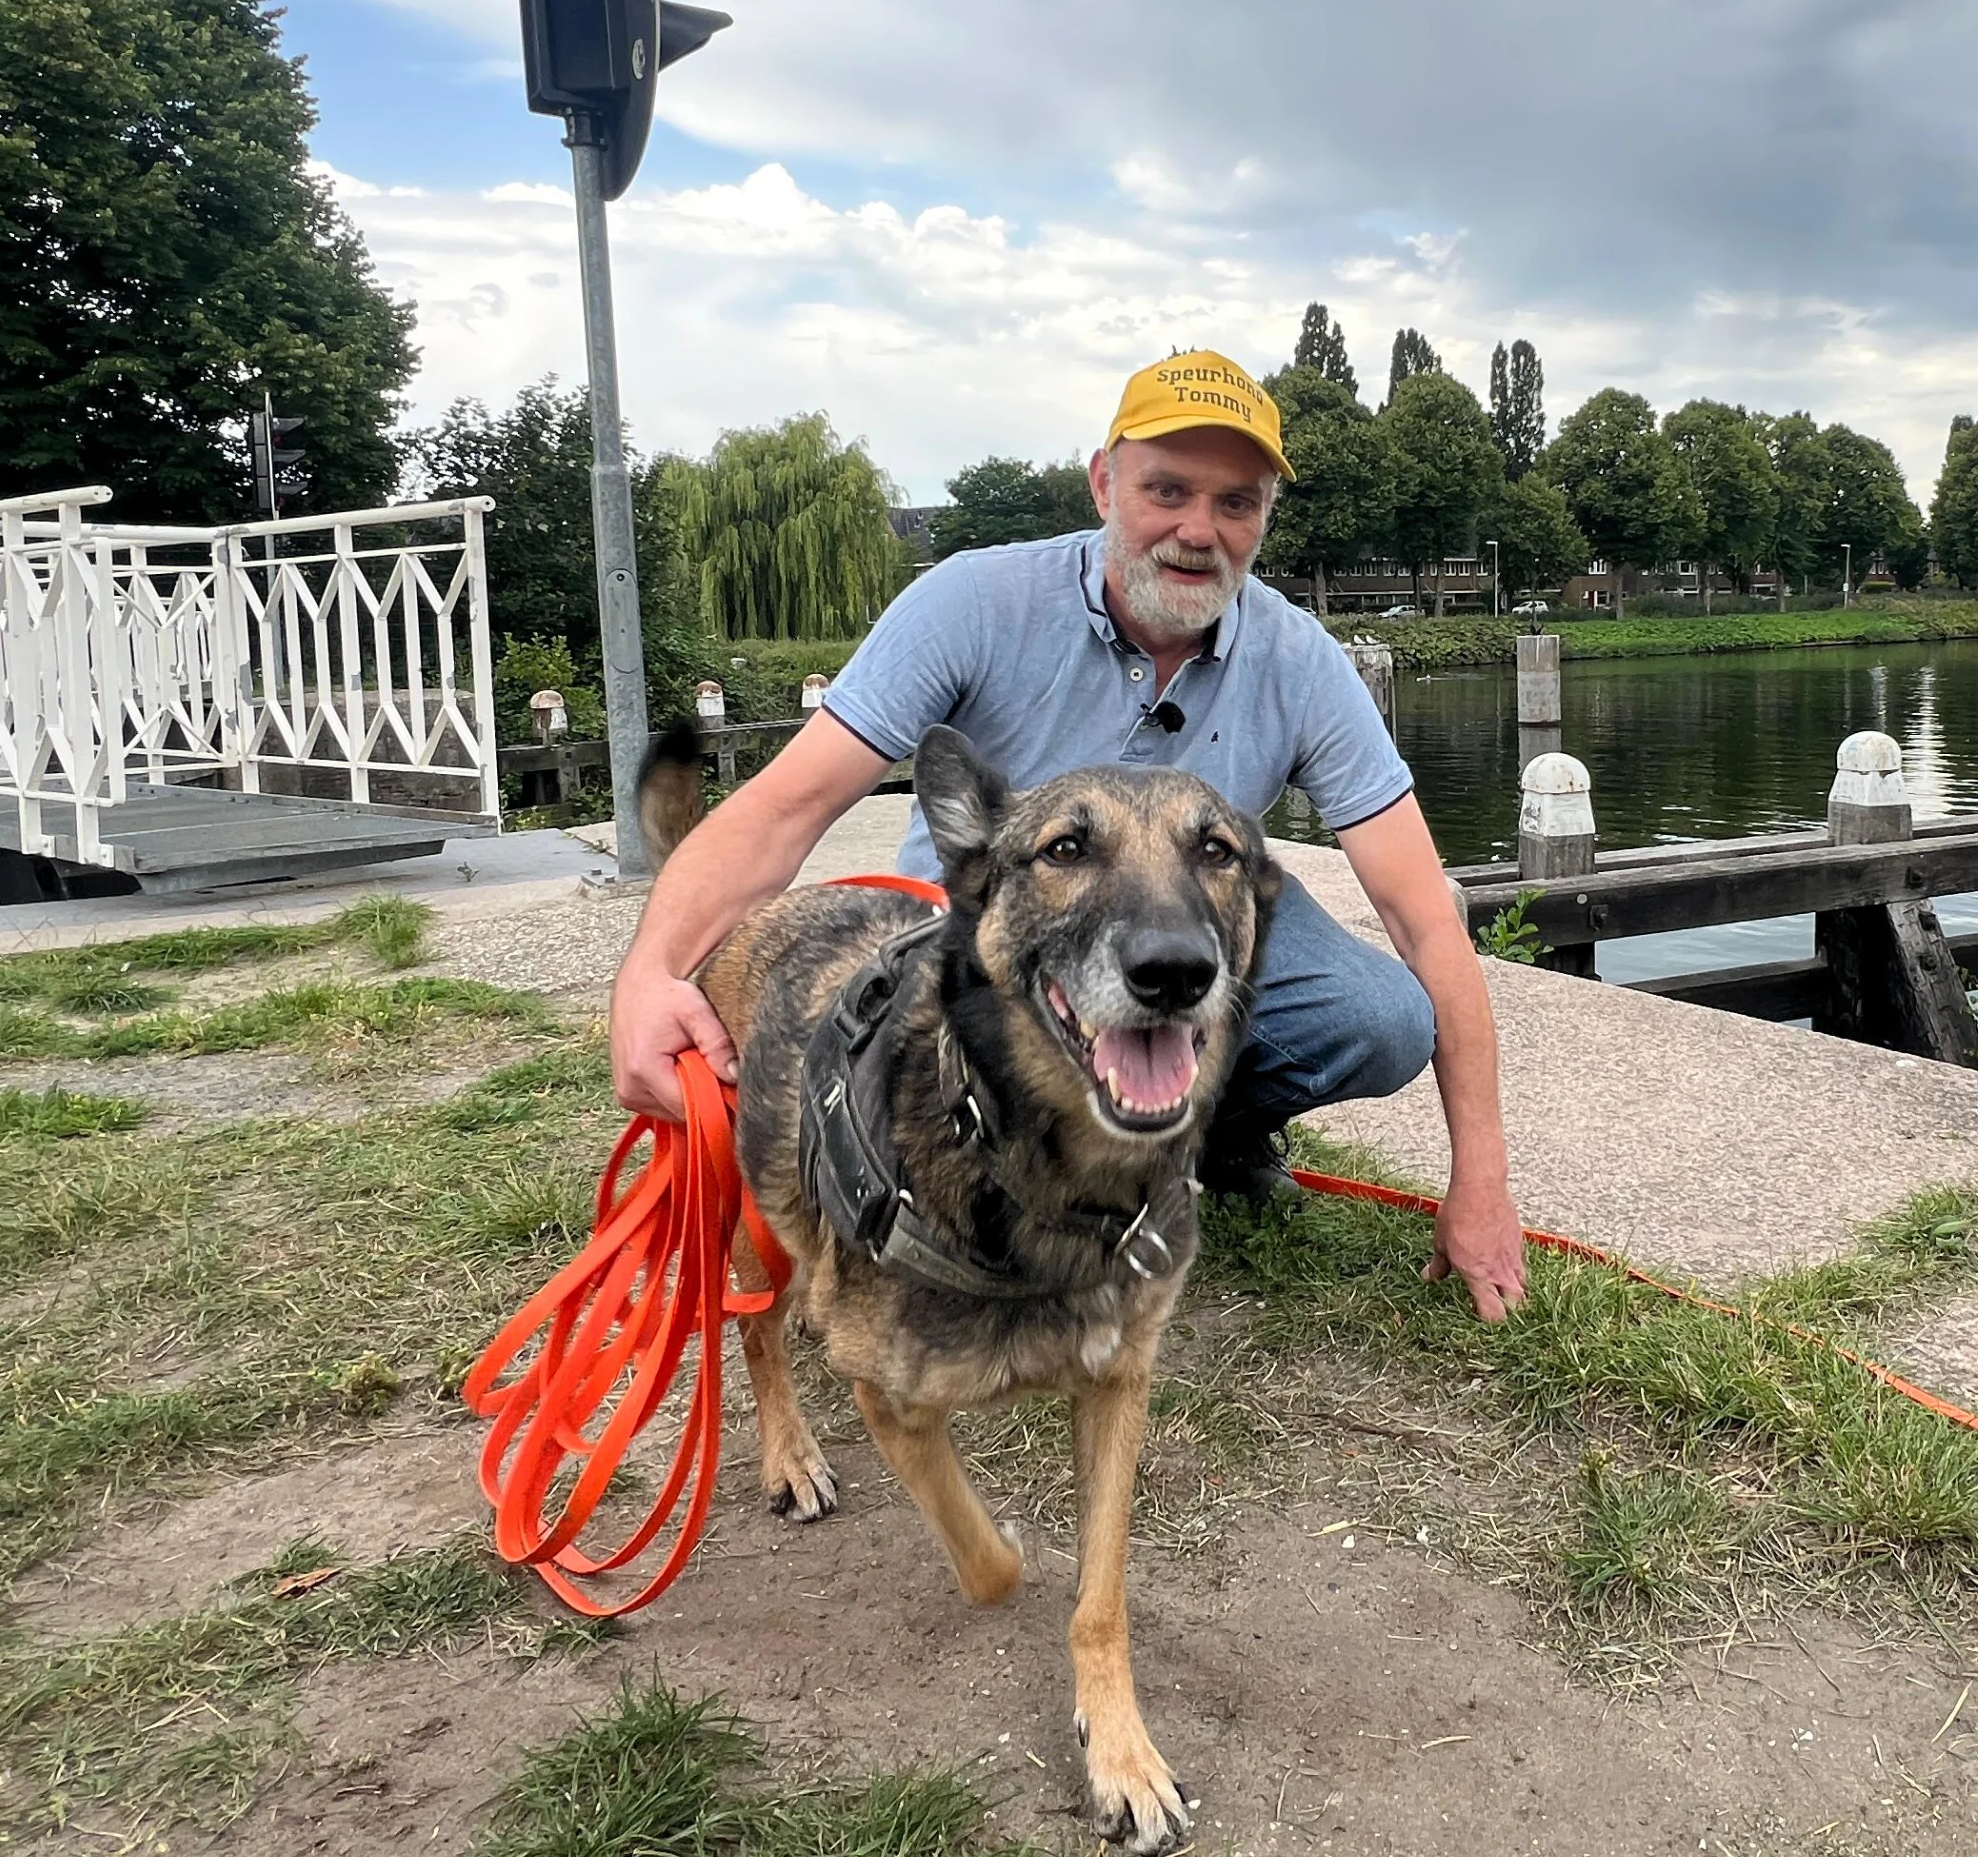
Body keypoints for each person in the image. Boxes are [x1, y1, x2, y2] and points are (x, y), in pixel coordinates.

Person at [608, 348, 1531, 1320]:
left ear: (1265, 517)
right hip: (986, 930)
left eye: (1236, 503)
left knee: (1380, 1018)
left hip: (1181, 908)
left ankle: (1195, 1133)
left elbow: (1428, 920)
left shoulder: (1301, 660)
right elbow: (784, 809)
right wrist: (649, 976)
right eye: (1166, 489)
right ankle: (982, 1143)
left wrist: (1481, 1183)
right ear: (1103, 481)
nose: (1197, 531)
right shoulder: (972, 602)